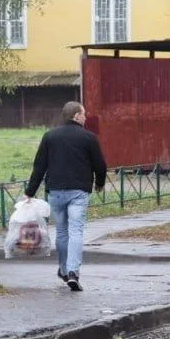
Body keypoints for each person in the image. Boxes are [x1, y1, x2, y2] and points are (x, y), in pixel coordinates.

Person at [24, 101, 107, 292]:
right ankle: (73, 273)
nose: (86, 117)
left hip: (56, 192)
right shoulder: (89, 138)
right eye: (84, 114)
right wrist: (99, 183)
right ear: (77, 116)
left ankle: (63, 269)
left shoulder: (49, 136)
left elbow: (39, 166)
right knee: (76, 231)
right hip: (78, 192)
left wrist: (29, 192)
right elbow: (100, 165)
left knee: (62, 232)